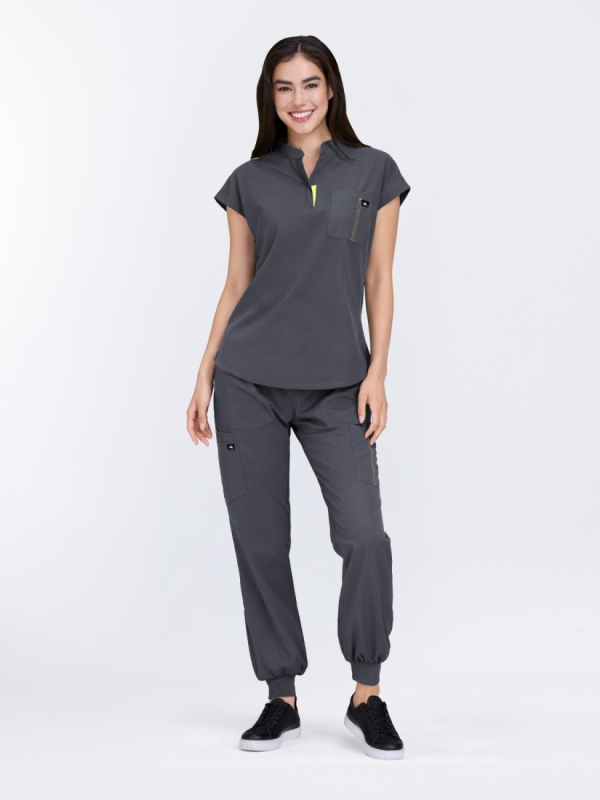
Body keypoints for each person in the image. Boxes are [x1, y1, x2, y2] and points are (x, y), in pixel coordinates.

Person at [187, 35, 411, 761]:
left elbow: (379, 278)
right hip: (247, 379)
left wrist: (377, 373)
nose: (299, 99)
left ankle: (366, 694)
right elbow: (236, 283)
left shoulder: (375, 171)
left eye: (310, 83)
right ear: (271, 97)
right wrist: (204, 372)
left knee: (365, 537)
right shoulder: (249, 181)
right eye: (284, 87)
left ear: (331, 89)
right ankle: (279, 696)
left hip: (339, 385)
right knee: (260, 541)